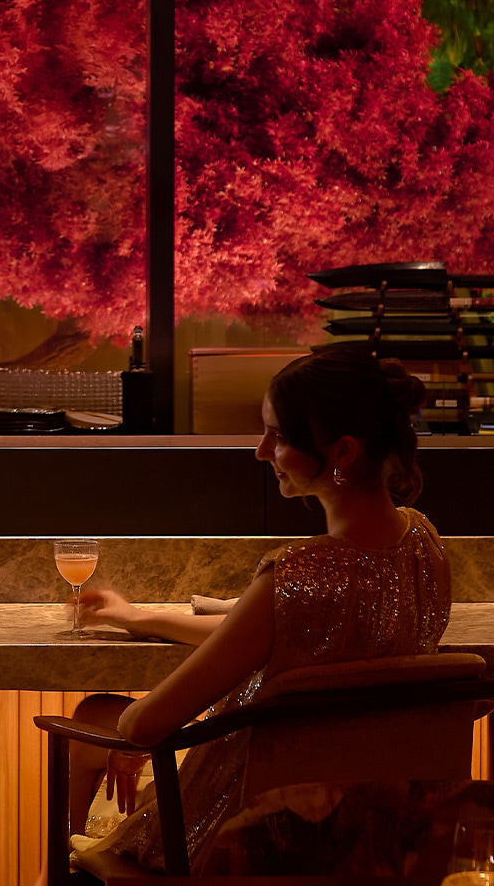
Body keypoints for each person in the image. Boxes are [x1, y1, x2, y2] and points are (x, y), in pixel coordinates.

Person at [54, 343, 450, 877]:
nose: (261, 451)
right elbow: (276, 633)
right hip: (377, 834)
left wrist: (139, 737)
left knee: (92, 720)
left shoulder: (298, 573)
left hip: (252, 836)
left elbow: (144, 723)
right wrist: (138, 618)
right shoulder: (425, 545)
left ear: (343, 451)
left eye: (278, 436)